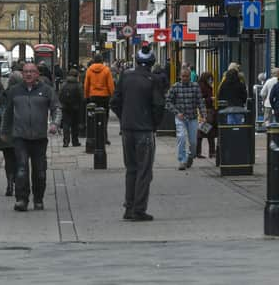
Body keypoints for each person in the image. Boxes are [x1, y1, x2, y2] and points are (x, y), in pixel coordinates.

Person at [111, 45, 164, 221]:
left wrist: (124, 117)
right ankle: (139, 209)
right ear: (152, 62)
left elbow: (114, 102)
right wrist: (154, 124)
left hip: (127, 129)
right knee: (144, 171)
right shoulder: (153, 80)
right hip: (144, 130)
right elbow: (158, 106)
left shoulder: (125, 77)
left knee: (131, 169)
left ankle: (129, 207)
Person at [2, 63, 61, 212]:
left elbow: (56, 108)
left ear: (37, 74)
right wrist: (4, 132)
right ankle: (22, 199)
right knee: (21, 169)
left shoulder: (46, 90)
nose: (28, 74)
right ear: (22, 74)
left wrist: (55, 124)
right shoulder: (15, 91)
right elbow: (7, 112)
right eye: (26, 72)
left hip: (39, 137)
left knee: (40, 171)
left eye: (32, 72)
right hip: (20, 136)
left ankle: (38, 198)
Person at [165, 67, 207, 171]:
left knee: (193, 142)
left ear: (190, 77)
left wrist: (203, 115)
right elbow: (168, 102)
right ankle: (182, 160)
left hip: (192, 118)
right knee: (181, 138)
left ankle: (190, 156)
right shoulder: (175, 87)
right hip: (181, 118)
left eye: (187, 76)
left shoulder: (195, 87)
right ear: (180, 76)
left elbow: (200, 102)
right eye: (183, 76)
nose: (185, 78)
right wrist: (176, 112)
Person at [0, 71, 23, 197]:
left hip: (5, 132)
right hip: (20, 131)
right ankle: (18, 182)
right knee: (20, 160)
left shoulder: (4, 93)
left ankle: (9, 183)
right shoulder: (22, 93)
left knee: (8, 160)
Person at [84, 54, 115, 145]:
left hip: (93, 96)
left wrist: (86, 96)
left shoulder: (89, 70)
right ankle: (104, 137)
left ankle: (94, 136)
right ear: (102, 60)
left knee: (92, 117)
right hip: (104, 97)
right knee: (104, 117)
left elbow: (86, 85)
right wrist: (112, 95)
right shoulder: (106, 70)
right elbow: (110, 85)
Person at [59, 68, 83, 147]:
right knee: (74, 125)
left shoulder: (64, 84)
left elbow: (60, 95)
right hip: (75, 108)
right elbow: (81, 96)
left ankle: (66, 141)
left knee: (66, 124)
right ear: (76, 76)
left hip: (65, 107)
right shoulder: (78, 85)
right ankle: (75, 141)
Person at [196, 72, 217, 159]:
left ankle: (203, 152)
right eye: (210, 79)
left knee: (207, 132)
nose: (211, 81)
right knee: (205, 132)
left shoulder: (206, 86)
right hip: (205, 112)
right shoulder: (202, 87)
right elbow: (200, 100)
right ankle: (209, 152)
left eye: (212, 79)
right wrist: (210, 99)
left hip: (207, 112)